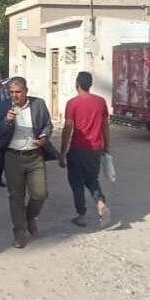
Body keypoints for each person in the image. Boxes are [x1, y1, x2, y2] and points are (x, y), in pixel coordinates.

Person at [0, 77, 59, 248]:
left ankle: (29, 217)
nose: (14, 95)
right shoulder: (2, 107)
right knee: (16, 197)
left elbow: (47, 125)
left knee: (40, 194)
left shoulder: (38, 104)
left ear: (26, 91)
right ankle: (19, 232)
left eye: (18, 92)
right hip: (12, 157)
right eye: (11, 92)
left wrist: (43, 137)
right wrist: (6, 121)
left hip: (35, 156)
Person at [60, 71, 111, 227]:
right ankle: (101, 204)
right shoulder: (100, 102)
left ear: (77, 84)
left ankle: (81, 214)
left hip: (77, 149)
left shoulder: (73, 103)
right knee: (92, 180)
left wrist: (62, 152)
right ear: (90, 84)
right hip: (95, 149)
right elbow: (105, 126)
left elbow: (68, 128)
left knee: (76, 182)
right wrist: (107, 147)